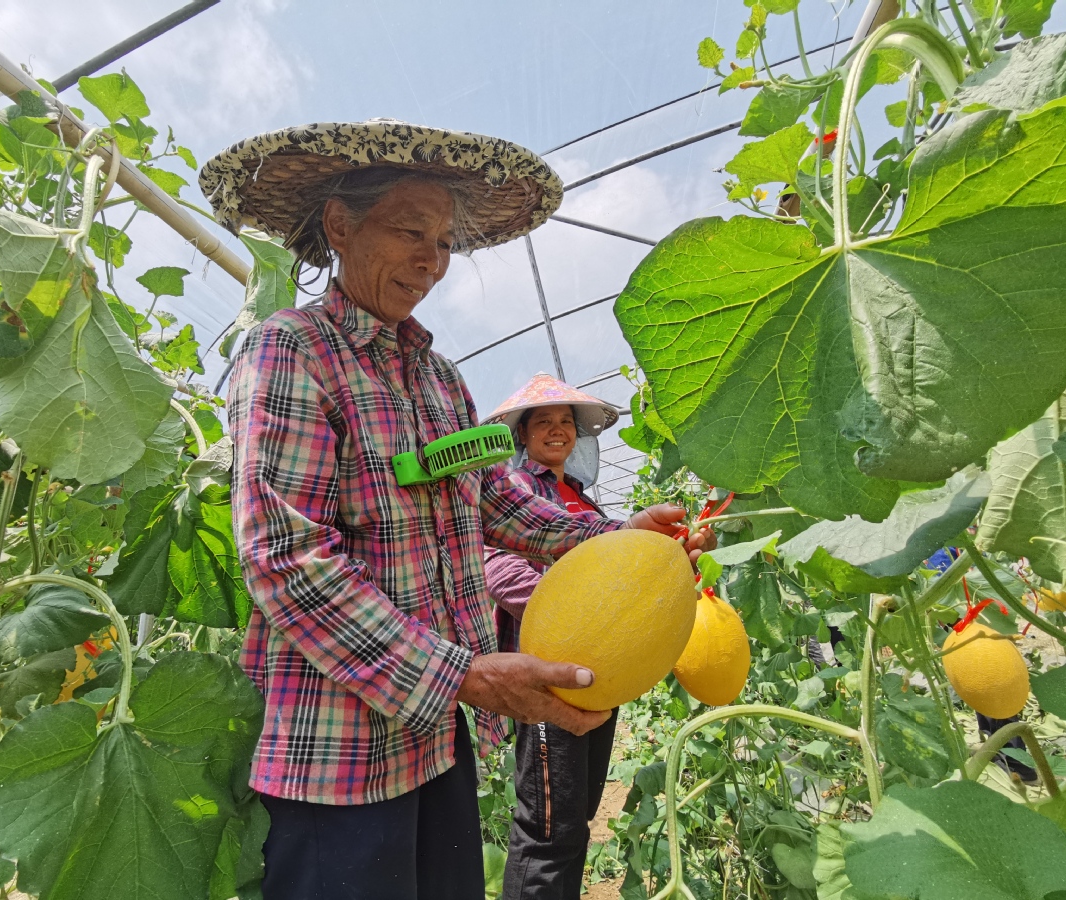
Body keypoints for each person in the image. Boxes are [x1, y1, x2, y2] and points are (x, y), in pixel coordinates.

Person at [201, 118, 715, 900]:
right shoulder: (292, 351)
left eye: (444, 243)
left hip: (436, 745)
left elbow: (498, 503)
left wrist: (618, 538)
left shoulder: (441, 382)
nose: (432, 262)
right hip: (335, 762)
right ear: (341, 225)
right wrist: (463, 675)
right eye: (412, 232)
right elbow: (286, 560)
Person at [482, 376, 702, 899]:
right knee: (547, 830)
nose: (558, 431)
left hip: (601, 678)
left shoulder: (584, 502)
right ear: (522, 435)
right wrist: (574, 608)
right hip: (546, 679)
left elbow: (619, 576)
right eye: (544, 422)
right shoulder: (516, 493)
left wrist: (665, 564)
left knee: (576, 820)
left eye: (566, 423)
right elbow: (495, 566)